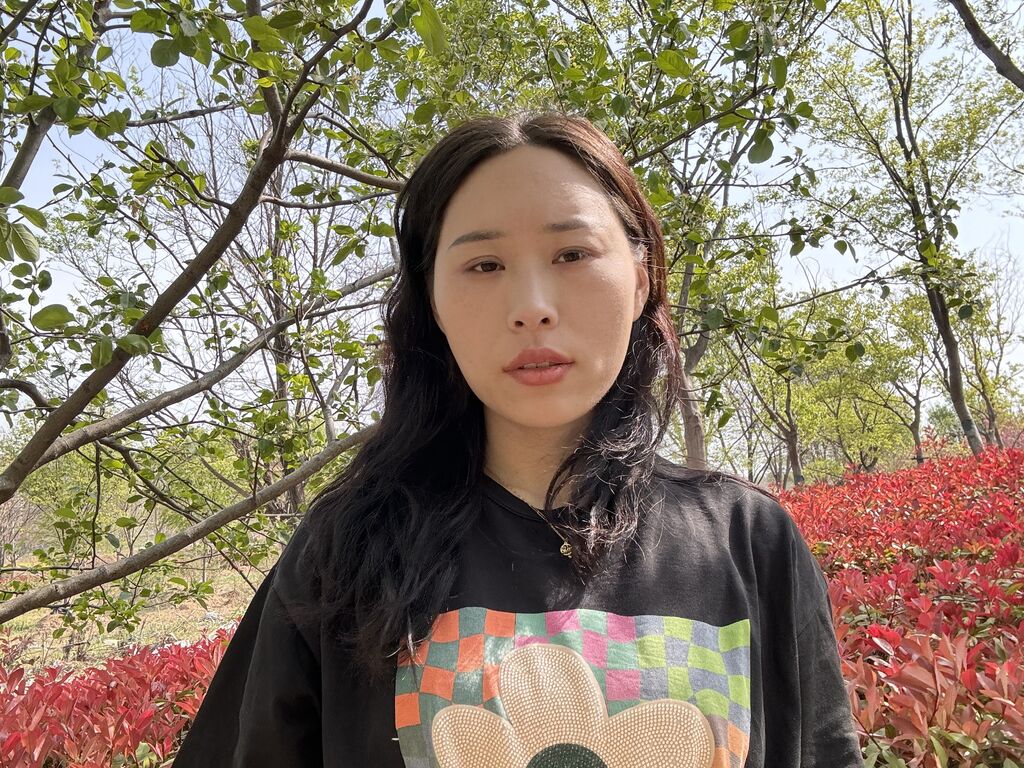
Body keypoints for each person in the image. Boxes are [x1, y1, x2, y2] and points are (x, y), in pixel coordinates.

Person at [172, 109, 862, 768]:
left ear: (640, 277)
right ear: (434, 302)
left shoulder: (748, 541)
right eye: (485, 265)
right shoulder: (343, 551)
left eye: (571, 253)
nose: (532, 307)